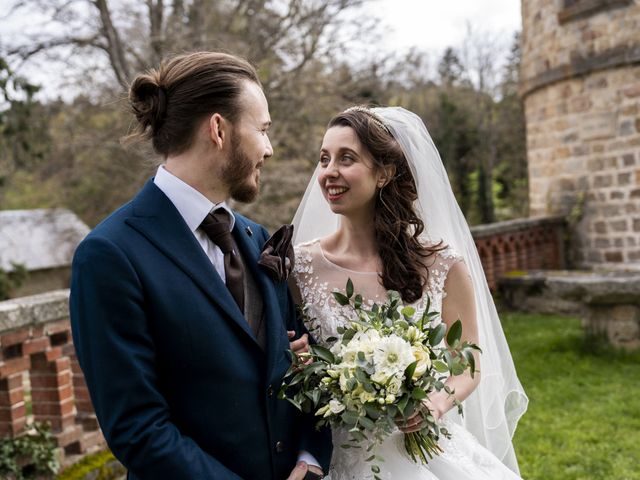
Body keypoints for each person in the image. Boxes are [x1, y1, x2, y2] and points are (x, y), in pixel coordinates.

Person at [69, 51, 331, 480]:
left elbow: (303, 364)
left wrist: (310, 459)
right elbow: (137, 429)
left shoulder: (258, 238)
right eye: (262, 130)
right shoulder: (110, 255)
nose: (269, 148)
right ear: (218, 129)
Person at [291, 106, 528, 479]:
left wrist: (433, 404)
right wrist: (300, 362)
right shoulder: (299, 267)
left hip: (424, 453)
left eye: (346, 158)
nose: (328, 172)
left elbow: (469, 365)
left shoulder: (442, 266)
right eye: (324, 159)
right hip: (337, 455)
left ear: (384, 173)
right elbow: (294, 363)